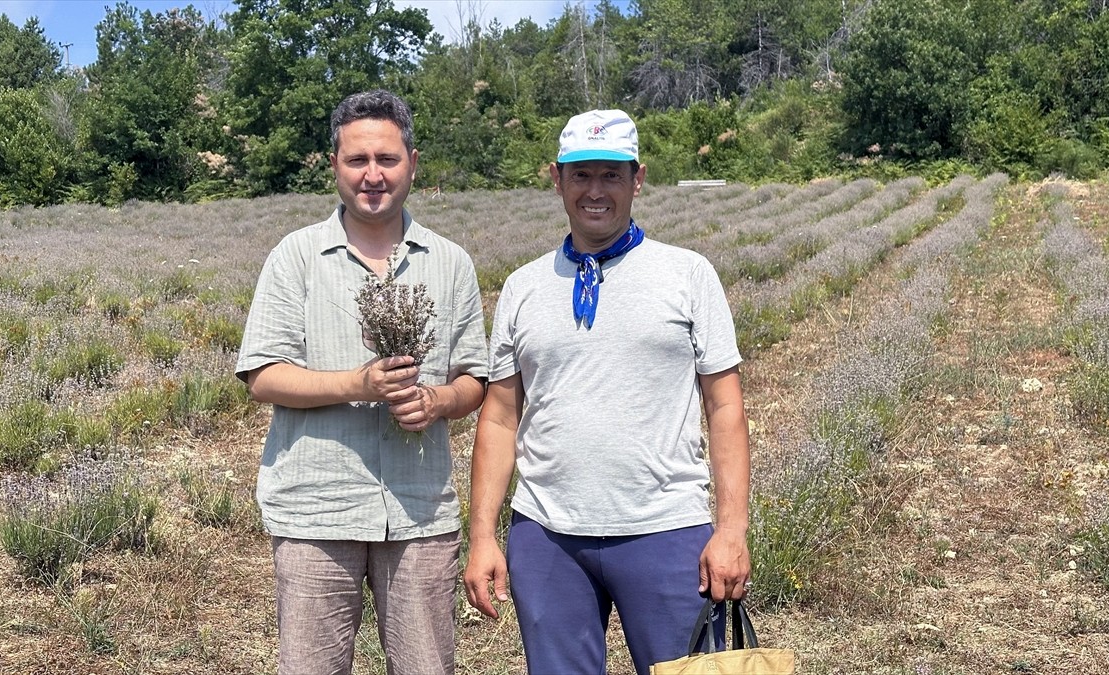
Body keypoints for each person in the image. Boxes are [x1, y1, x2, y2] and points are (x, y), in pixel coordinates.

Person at [462, 109, 751, 675]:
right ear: (557, 179)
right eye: (581, 175)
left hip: (666, 528)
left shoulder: (687, 274)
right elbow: (499, 417)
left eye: (611, 175)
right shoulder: (523, 286)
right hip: (547, 536)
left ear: (637, 179)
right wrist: (482, 536)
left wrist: (731, 529)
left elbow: (725, 407)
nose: (595, 191)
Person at [235, 89, 488, 675]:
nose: (373, 175)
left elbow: (474, 378)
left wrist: (437, 400)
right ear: (335, 166)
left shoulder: (450, 262)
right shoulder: (296, 257)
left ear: (412, 164)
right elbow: (263, 375)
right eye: (357, 160)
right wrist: (360, 383)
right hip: (317, 510)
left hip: (420, 513)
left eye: (387, 159)